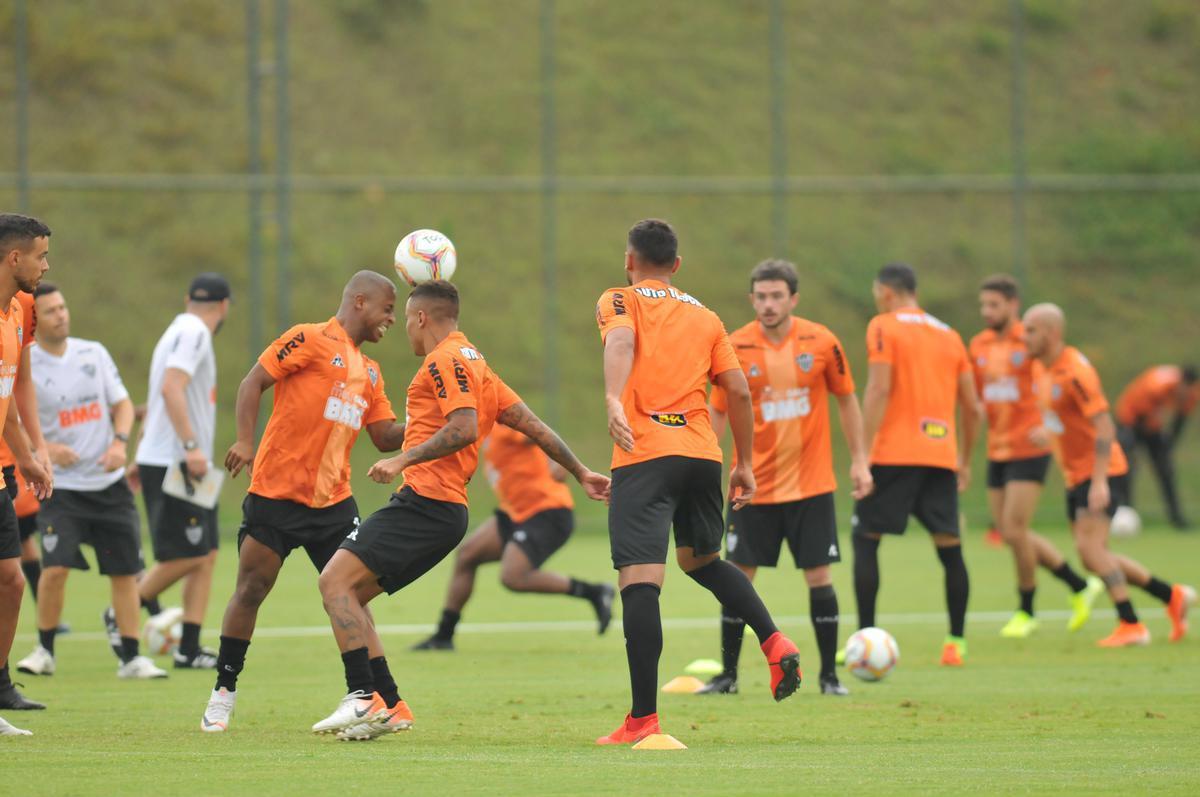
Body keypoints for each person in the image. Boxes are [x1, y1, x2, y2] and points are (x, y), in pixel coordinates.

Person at [309, 280, 609, 742]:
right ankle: (390, 704)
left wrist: (402, 458)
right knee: (351, 594)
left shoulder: (446, 359)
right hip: (444, 511)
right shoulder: (476, 363)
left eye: (406, 318)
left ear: (422, 318)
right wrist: (581, 470)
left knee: (333, 581)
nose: (404, 327)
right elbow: (533, 425)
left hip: (427, 503)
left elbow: (465, 428)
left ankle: (361, 695)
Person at [594, 219, 802, 747]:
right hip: (701, 456)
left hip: (645, 454)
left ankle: (642, 720)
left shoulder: (620, 299)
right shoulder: (707, 316)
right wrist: (745, 463)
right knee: (701, 561)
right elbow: (738, 391)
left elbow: (619, 343)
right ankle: (774, 640)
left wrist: (614, 398)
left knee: (640, 581)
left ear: (629, 260)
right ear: (677, 265)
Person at [200, 271, 407, 732]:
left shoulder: (372, 372)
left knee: (351, 595)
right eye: (388, 308)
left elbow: (383, 436)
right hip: (276, 494)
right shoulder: (308, 339)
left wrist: (432, 421)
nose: (392, 318)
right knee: (251, 590)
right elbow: (252, 382)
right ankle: (223, 690)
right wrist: (246, 441)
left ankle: (383, 701)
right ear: (359, 301)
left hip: (334, 503)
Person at [696, 259, 871, 698]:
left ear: (793, 298)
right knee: (738, 577)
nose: (768, 304)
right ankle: (728, 676)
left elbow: (847, 400)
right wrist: (703, 463)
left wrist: (860, 460)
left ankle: (829, 678)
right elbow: (717, 409)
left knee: (819, 577)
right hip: (752, 488)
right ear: (751, 298)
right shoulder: (733, 345)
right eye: (761, 295)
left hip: (811, 486)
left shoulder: (822, 341)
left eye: (777, 296)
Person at [13, 283, 165, 679]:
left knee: (124, 570)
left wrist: (119, 443)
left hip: (109, 485)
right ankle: (44, 650)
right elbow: (13, 421)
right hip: (61, 488)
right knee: (56, 568)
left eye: (63, 307)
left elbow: (122, 405)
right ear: (35, 321)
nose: (61, 315)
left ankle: (131, 657)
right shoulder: (27, 363)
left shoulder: (92, 353)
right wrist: (43, 447)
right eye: (50, 311)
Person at [1024, 304, 1194, 646]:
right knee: (1095, 555)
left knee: (1090, 550)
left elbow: (1104, 426)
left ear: (1052, 333)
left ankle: (1131, 624)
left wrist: (1100, 482)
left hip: (1101, 471)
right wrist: (1047, 430)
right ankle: (1171, 596)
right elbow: (1064, 416)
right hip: (1076, 474)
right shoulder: (1040, 370)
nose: (1024, 337)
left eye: (1030, 330)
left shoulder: (1075, 372)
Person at [851, 262, 980, 667]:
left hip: (892, 453)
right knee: (949, 548)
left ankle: (866, 639)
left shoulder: (883, 326)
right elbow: (973, 406)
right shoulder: (950, 335)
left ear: (887, 292)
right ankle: (955, 643)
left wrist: (862, 455)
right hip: (940, 456)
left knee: (866, 539)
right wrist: (964, 459)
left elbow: (878, 388)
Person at [969, 275, 1102, 638]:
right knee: (1012, 533)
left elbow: (1055, 381)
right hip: (998, 449)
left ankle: (1027, 610)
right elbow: (981, 398)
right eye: (983, 305)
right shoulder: (978, 345)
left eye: (994, 305)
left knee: (1014, 529)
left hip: (1030, 447)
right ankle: (1078, 584)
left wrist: (1048, 424)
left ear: (1013, 305)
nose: (987, 312)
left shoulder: (1028, 342)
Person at [412, 423, 614, 651]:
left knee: (513, 577)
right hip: (515, 512)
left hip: (546, 511)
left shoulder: (503, 425)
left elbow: (543, 434)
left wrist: (562, 464)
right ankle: (443, 636)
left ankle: (594, 592)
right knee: (467, 555)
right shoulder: (478, 430)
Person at [128, 273, 231, 669]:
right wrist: (190, 447)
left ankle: (188, 648)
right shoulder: (194, 333)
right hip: (179, 459)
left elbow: (158, 397)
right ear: (224, 307)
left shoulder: (175, 328)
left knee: (206, 553)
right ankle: (125, 607)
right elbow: (172, 388)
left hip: (177, 457)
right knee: (187, 554)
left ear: (189, 298)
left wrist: (141, 453)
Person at [0, 213, 55, 736]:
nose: (45, 266)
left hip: (0, 472)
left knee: (11, 580)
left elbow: (9, 400)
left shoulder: (20, 310)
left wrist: (31, 457)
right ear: (14, 258)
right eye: (40, 255)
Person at [1115, 364, 1199, 529]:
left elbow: (1179, 423)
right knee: (1127, 467)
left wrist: (1168, 447)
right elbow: (1139, 414)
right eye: (1184, 388)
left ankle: (1177, 518)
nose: (1185, 394)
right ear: (1180, 381)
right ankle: (1126, 512)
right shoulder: (1157, 385)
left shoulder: (1192, 395)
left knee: (1165, 469)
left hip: (1152, 426)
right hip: (1130, 420)